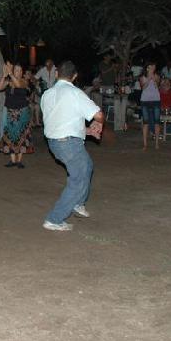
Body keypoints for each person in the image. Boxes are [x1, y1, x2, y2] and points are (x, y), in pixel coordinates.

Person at [39, 61, 104, 232]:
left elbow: (62, 121)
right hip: (68, 144)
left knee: (87, 166)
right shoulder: (75, 93)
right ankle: (54, 219)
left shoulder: (47, 94)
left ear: (56, 74)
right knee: (77, 179)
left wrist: (88, 130)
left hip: (54, 143)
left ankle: (78, 202)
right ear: (74, 76)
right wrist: (99, 123)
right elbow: (98, 114)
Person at [0, 61, 34, 168]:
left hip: (22, 112)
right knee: (10, 135)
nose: (18, 72)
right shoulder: (9, 81)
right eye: (16, 70)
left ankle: (19, 161)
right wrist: (4, 76)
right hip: (10, 112)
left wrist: (10, 74)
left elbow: (18, 85)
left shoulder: (24, 81)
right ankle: (13, 160)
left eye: (20, 70)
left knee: (22, 134)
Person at [139, 62, 162, 150]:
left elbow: (157, 86)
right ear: (147, 68)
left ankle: (156, 143)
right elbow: (143, 88)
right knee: (145, 122)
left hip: (156, 100)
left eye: (153, 66)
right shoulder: (142, 77)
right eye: (150, 66)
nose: (152, 68)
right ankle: (145, 144)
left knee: (157, 121)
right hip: (145, 100)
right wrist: (149, 78)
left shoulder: (157, 76)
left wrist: (154, 79)